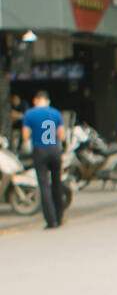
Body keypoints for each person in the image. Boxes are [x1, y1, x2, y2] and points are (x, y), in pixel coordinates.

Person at [21, 91, 65, 229]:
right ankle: (60, 216)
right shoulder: (56, 113)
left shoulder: (29, 114)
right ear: (48, 101)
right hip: (55, 150)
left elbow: (25, 135)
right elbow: (61, 135)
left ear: (35, 100)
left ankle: (50, 220)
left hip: (40, 151)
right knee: (57, 183)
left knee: (44, 185)